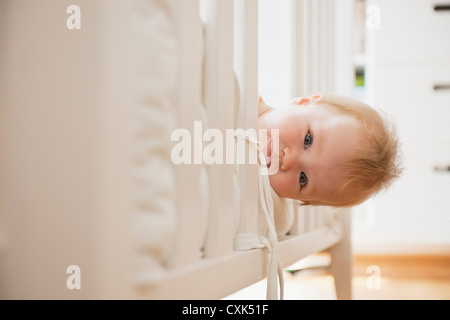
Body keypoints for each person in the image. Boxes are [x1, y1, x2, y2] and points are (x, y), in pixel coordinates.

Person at [257, 94, 402, 207]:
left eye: (303, 179)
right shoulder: (242, 98)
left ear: (300, 199)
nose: (288, 159)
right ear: (304, 102)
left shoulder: (254, 200)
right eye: (307, 140)